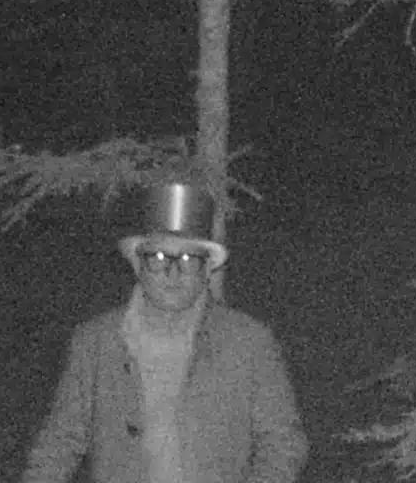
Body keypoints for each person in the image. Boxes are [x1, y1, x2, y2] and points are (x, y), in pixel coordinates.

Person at [21, 179, 309, 483]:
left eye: (188, 259)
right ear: (138, 265)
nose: (173, 273)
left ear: (207, 269)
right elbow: (60, 443)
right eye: (158, 258)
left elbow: (283, 444)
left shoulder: (248, 342)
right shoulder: (96, 342)